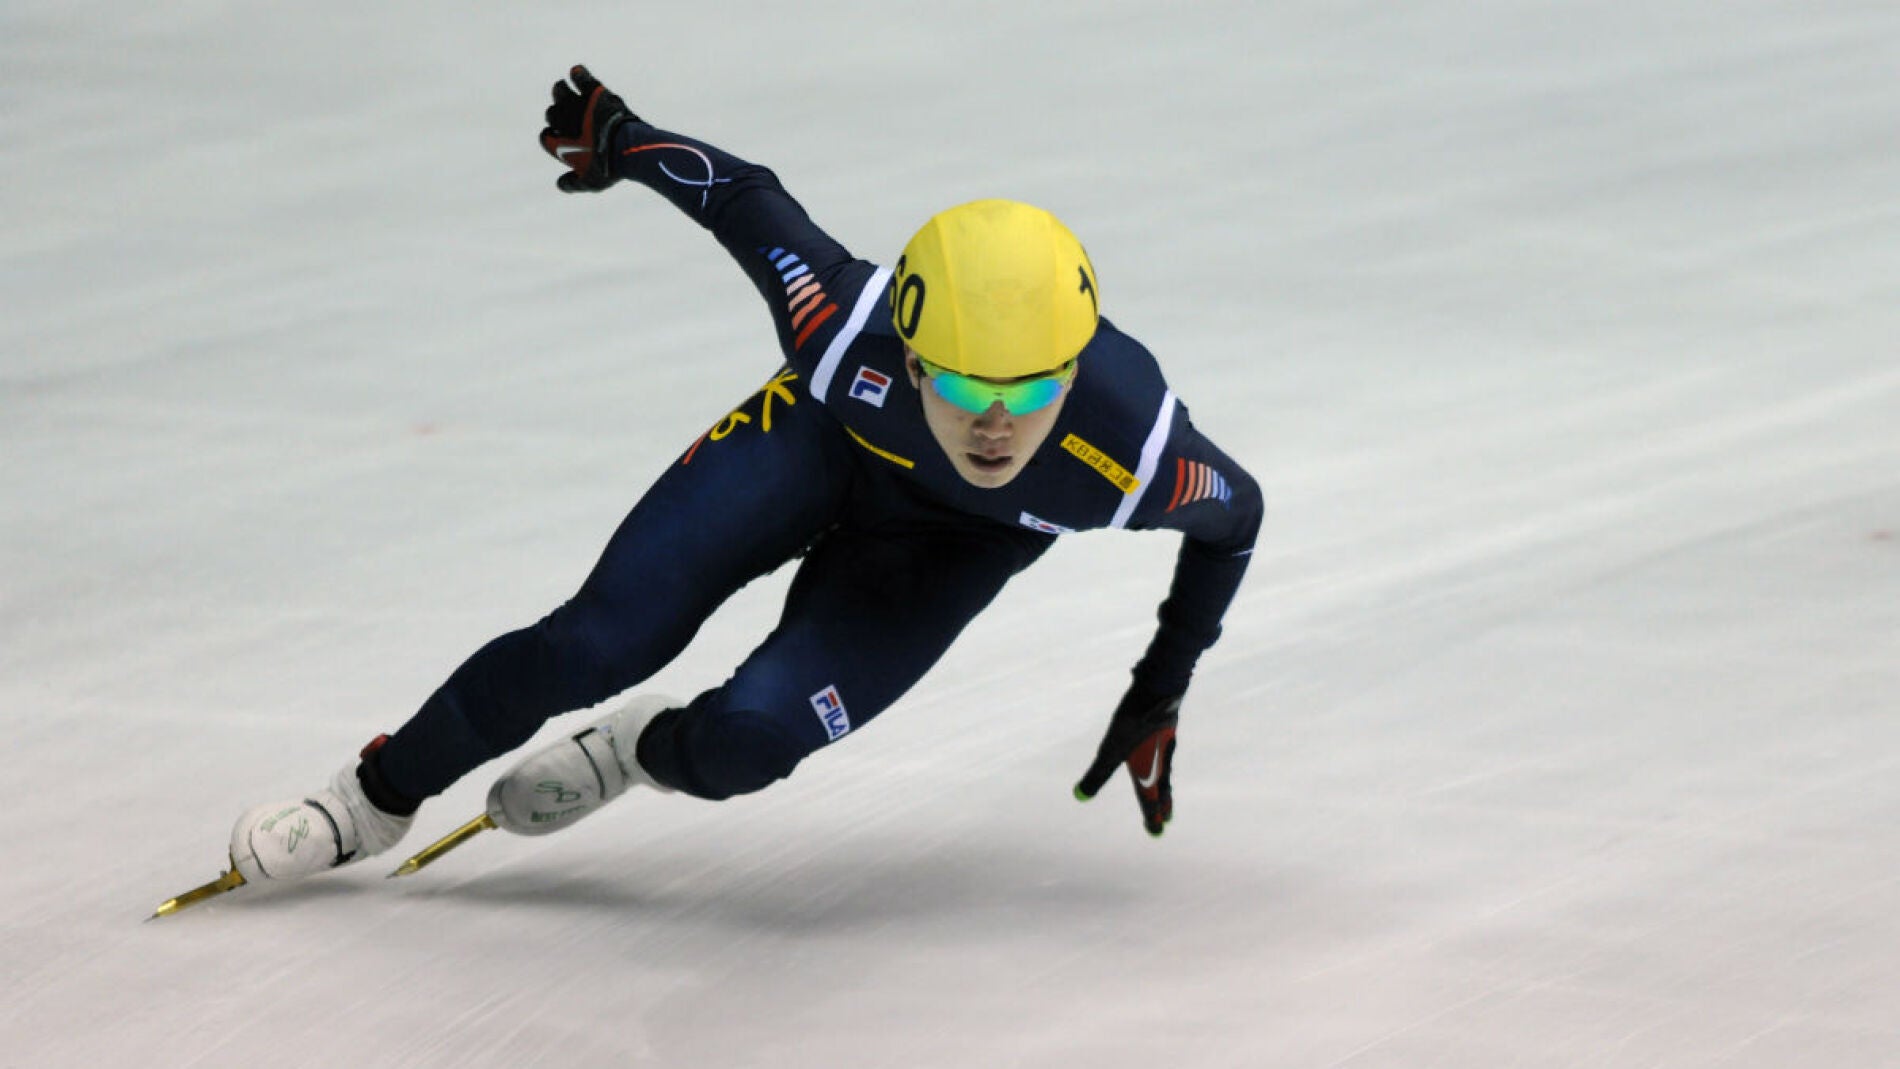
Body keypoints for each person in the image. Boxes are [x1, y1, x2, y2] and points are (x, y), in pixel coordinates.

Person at [220, 66, 1262, 888]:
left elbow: (1238, 520)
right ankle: (368, 800)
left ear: (1072, 373)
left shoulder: (1135, 454)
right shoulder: (840, 322)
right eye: (955, 382)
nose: (993, 425)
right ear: (902, 352)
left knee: (745, 746)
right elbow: (746, 202)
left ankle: (636, 749)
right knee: (592, 641)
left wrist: (1158, 686)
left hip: (953, 548)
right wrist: (617, 139)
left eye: (1030, 394)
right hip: (818, 445)